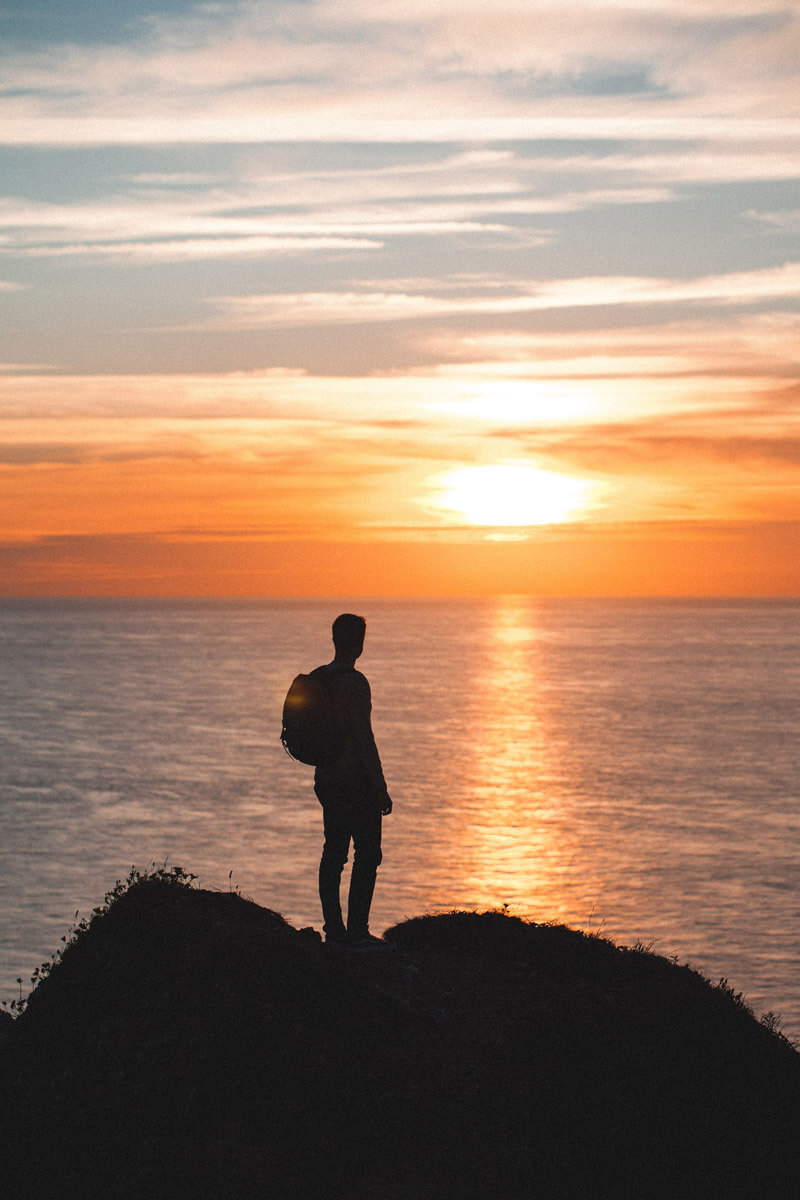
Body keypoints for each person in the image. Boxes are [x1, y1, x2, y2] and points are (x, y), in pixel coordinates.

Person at [313, 613, 392, 947]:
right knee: (367, 855)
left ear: (334, 640)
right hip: (355, 782)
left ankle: (334, 930)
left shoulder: (318, 679)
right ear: (359, 643)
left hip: (327, 780)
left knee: (334, 854)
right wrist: (381, 787)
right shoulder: (355, 684)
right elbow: (363, 738)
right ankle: (357, 931)